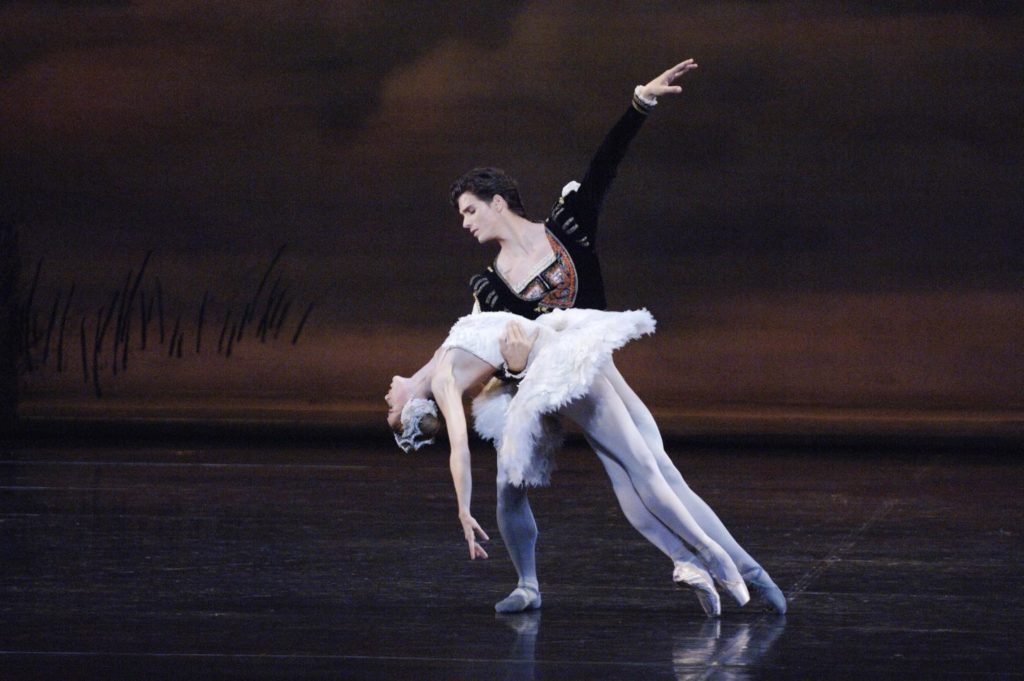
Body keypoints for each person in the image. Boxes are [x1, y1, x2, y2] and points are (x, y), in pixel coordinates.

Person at [442, 58, 786, 615]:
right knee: (606, 471)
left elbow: (605, 165)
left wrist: (639, 103)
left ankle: (708, 562)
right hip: (544, 384)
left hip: (592, 369)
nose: (465, 223)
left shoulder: (569, 224)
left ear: (498, 202)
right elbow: (480, 345)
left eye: (469, 210)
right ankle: (721, 566)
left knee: (652, 468)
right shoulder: (488, 283)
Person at [386, 308, 785, 617]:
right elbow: (459, 447)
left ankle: (690, 561)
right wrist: (462, 509)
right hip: (556, 365)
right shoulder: (442, 380)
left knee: (630, 469)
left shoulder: (436, 363)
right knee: (640, 465)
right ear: (411, 409)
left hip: (548, 358)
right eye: (391, 411)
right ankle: (711, 555)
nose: (387, 397)